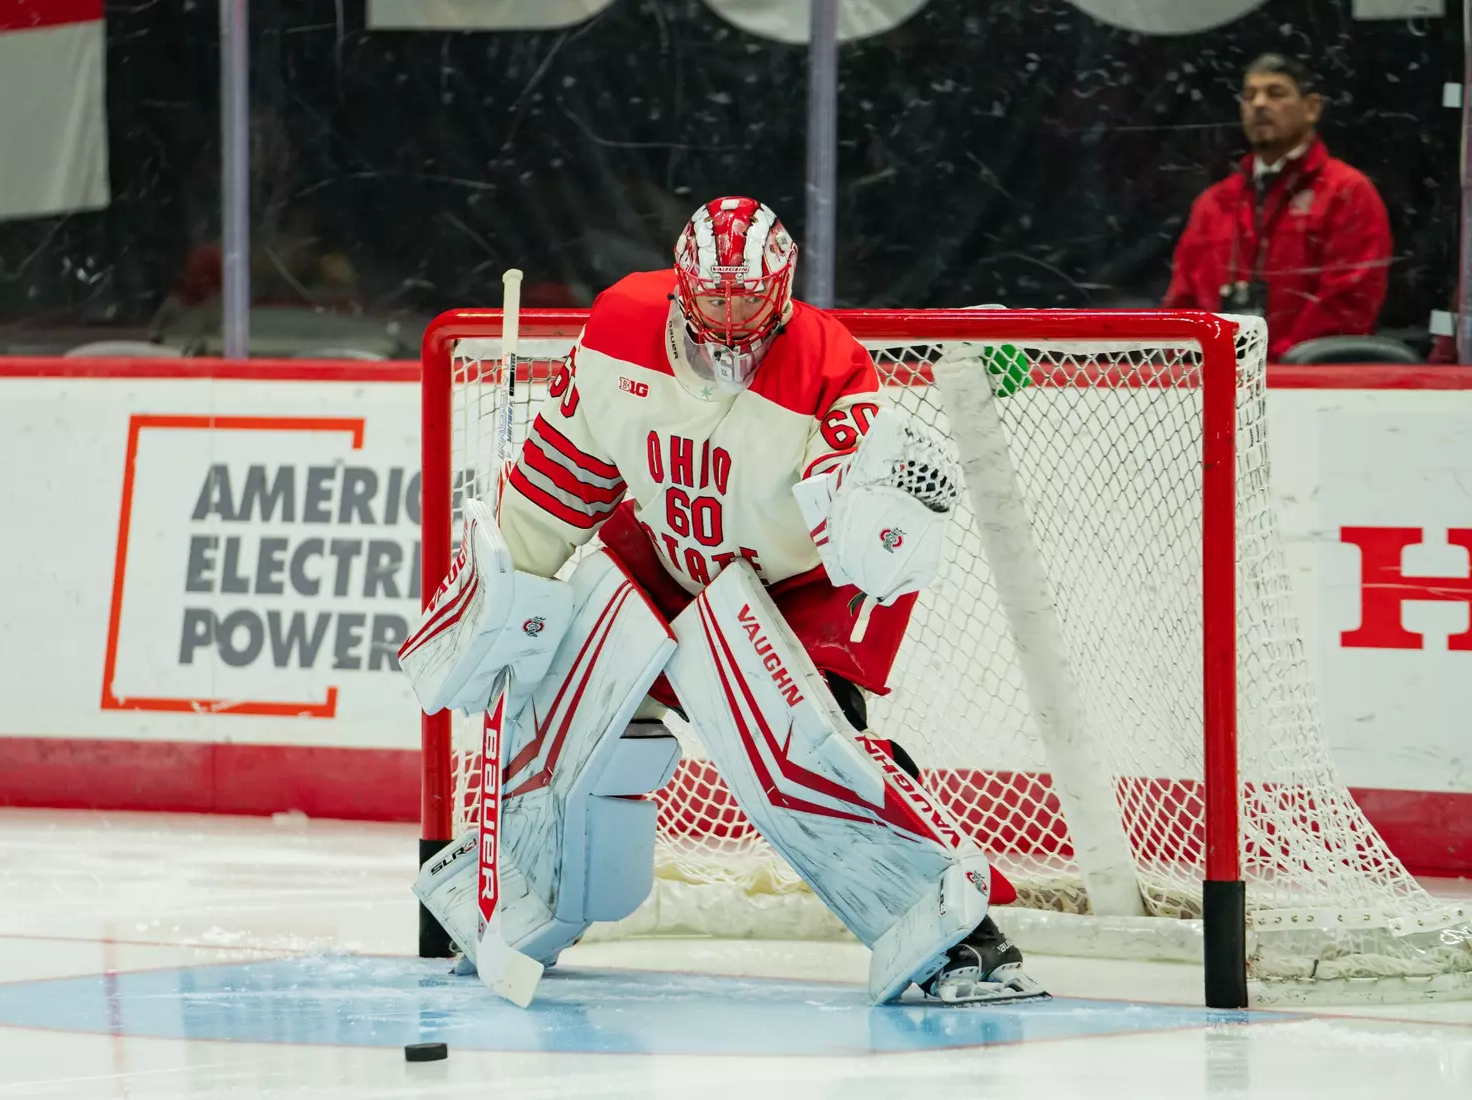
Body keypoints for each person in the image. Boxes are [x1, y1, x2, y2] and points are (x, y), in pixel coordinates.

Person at [401, 197, 1044, 1007]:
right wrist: (504, 597)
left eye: (750, 298)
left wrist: (885, 515)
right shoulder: (621, 326)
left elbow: (858, 532)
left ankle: (959, 932)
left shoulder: (830, 365)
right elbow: (560, 482)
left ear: (781, 289)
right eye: (715, 296)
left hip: (789, 591)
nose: (731, 315)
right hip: (662, 559)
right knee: (557, 713)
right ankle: (514, 902)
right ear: (683, 284)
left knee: (815, 752)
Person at [1163, 54, 1392, 360]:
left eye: (1276, 93)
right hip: (1215, 387)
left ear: (1312, 107)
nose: (1259, 104)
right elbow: (1182, 306)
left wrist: (1276, 366)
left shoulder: (1347, 193)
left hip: (1314, 389)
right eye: (1249, 95)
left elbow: (1347, 306)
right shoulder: (1214, 203)